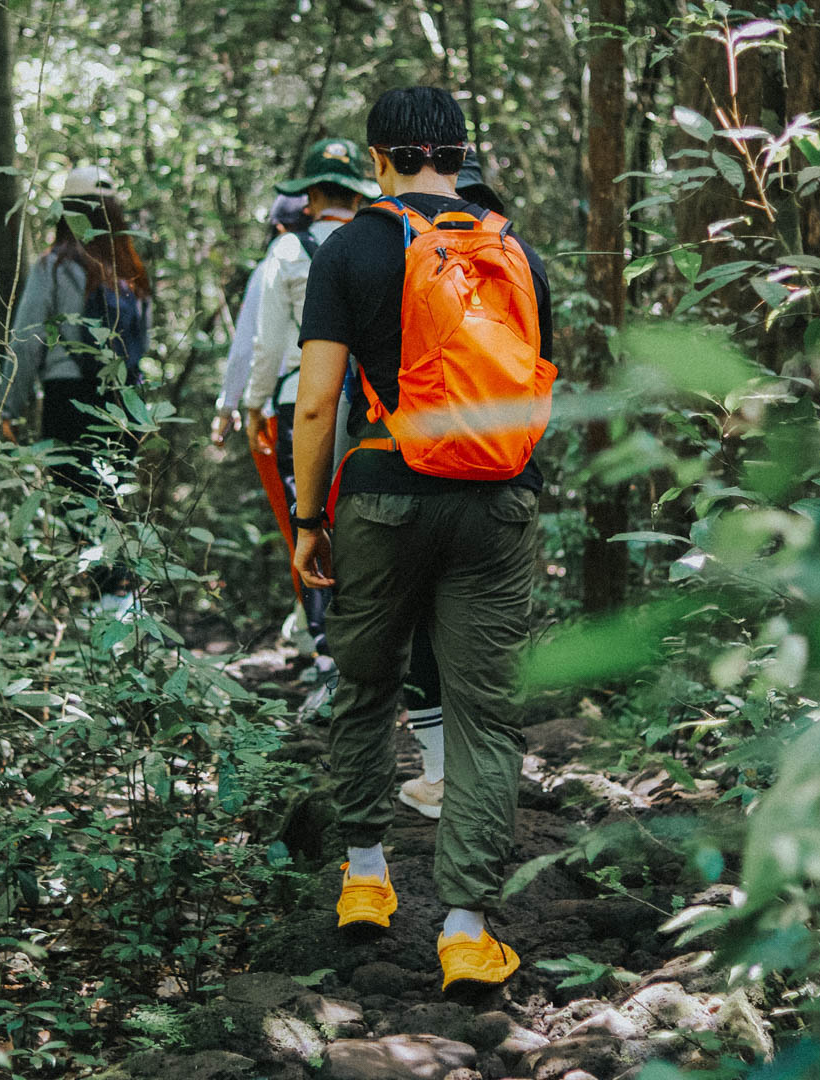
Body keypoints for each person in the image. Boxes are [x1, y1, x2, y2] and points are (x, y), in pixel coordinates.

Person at [291, 87, 554, 991]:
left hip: (381, 496)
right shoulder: (512, 250)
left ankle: (366, 879)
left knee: (365, 684)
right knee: (485, 713)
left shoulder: (350, 248)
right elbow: (536, 388)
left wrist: (308, 518)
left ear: (380, 157)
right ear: (458, 152)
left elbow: (319, 399)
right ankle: (468, 929)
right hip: (497, 499)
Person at [396, 149, 510, 822]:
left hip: (419, 468)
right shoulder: (516, 264)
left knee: (420, 627)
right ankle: (477, 780)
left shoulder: (405, 262)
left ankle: (440, 775)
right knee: (480, 633)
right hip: (500, 470)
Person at [242, 138, 378, 655]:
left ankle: (327, 653)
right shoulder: (380, 243)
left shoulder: (288, 251)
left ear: (312, 198)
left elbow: (268, 344)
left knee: (310, 518)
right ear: (356, 195)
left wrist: (253, 405)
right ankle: (368, 646)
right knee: (361, 520)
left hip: (301, 400)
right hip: (371, 406)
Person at [0, 166, 150, 602]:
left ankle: (110, 613)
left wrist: (9, 405)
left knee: (80, 508)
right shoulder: (132, 274)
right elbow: (144, 346)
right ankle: (122, 611)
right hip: (124, 402)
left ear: (66, 213)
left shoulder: (56, 266)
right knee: (113, 502)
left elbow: (26, 341)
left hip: (68, 400)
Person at [211, 194, 310, 605]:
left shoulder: (277, 260)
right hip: (350, 405)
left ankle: (316, 630)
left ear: (279, 227)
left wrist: (229, 407)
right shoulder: (346, 251)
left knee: (298, 524)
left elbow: (251, 346)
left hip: (280, 409)